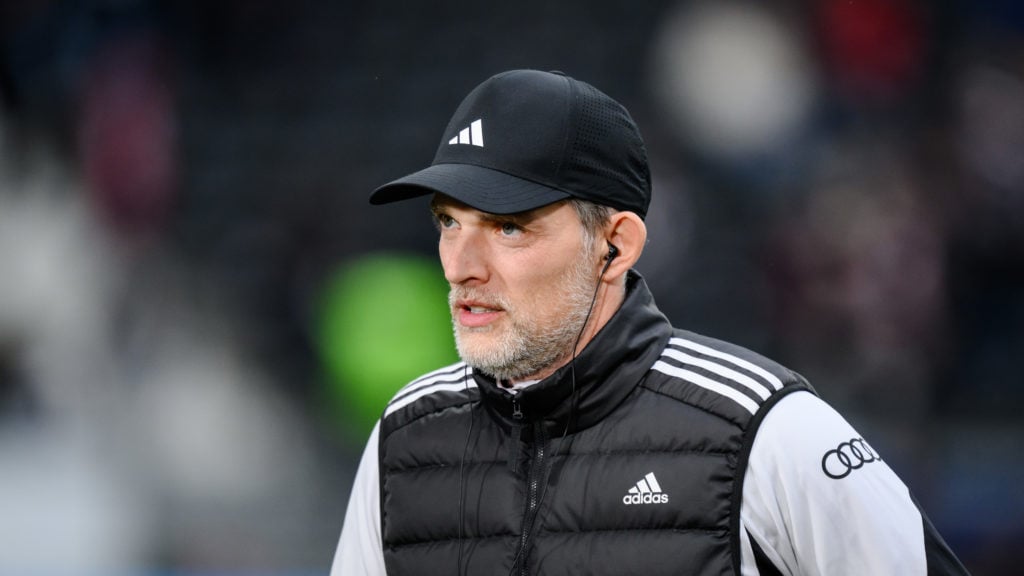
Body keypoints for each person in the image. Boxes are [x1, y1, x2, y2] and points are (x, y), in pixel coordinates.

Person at [330, 69, 969, 575]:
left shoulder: (765, 430)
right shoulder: (402, 439)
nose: (462, 266)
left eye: (508, 226)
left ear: (616, 245)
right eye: (449, 223)